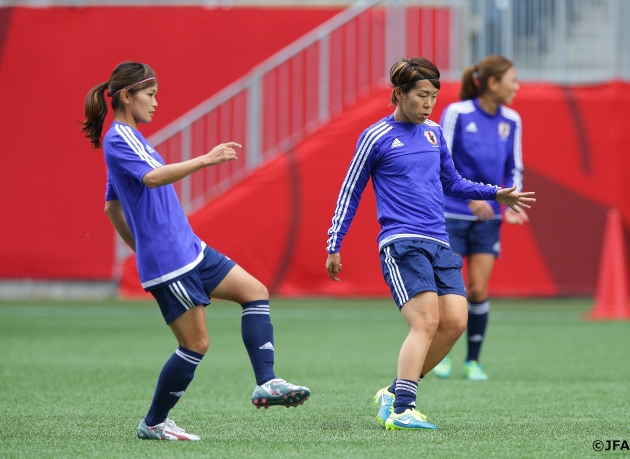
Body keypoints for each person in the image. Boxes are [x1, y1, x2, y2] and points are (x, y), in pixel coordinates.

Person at [81, 61, 310, 442]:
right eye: (150, 94)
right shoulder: (120, 138)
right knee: (196, 344)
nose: (156, 103)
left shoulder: (133, 140)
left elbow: (111, 207)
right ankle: (153, 423)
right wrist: (206, 159)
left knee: (255, 291)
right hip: (171, 261)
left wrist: (140, 247)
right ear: (126, 95)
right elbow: (151, 178)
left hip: (191, 249)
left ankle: (267, 383)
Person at [325, 58, 534, 430]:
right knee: (425, 321)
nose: (428, 104)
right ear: (399, 94)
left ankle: (394, 391)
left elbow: (452, 182)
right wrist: (334, 242)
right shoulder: (375, 137)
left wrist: (495, 194)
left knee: (454, 322)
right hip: (402, 241)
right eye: (422, 96)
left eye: (433, 97)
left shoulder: (434, 133)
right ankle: (403, 408)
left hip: (439, 240)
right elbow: (350, 190)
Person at [432, 55, 525, 382]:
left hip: (489, 220)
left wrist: (514, 201)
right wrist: (472, 198)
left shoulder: (511, 119)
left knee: (477, 290)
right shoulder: (457, 113)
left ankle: (473, 361)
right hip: (452, 215)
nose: (517, 85)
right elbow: (442, 161)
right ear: (492, 83)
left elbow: (514, 168)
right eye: (512, 79)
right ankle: (441, 356)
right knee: (450, 289)